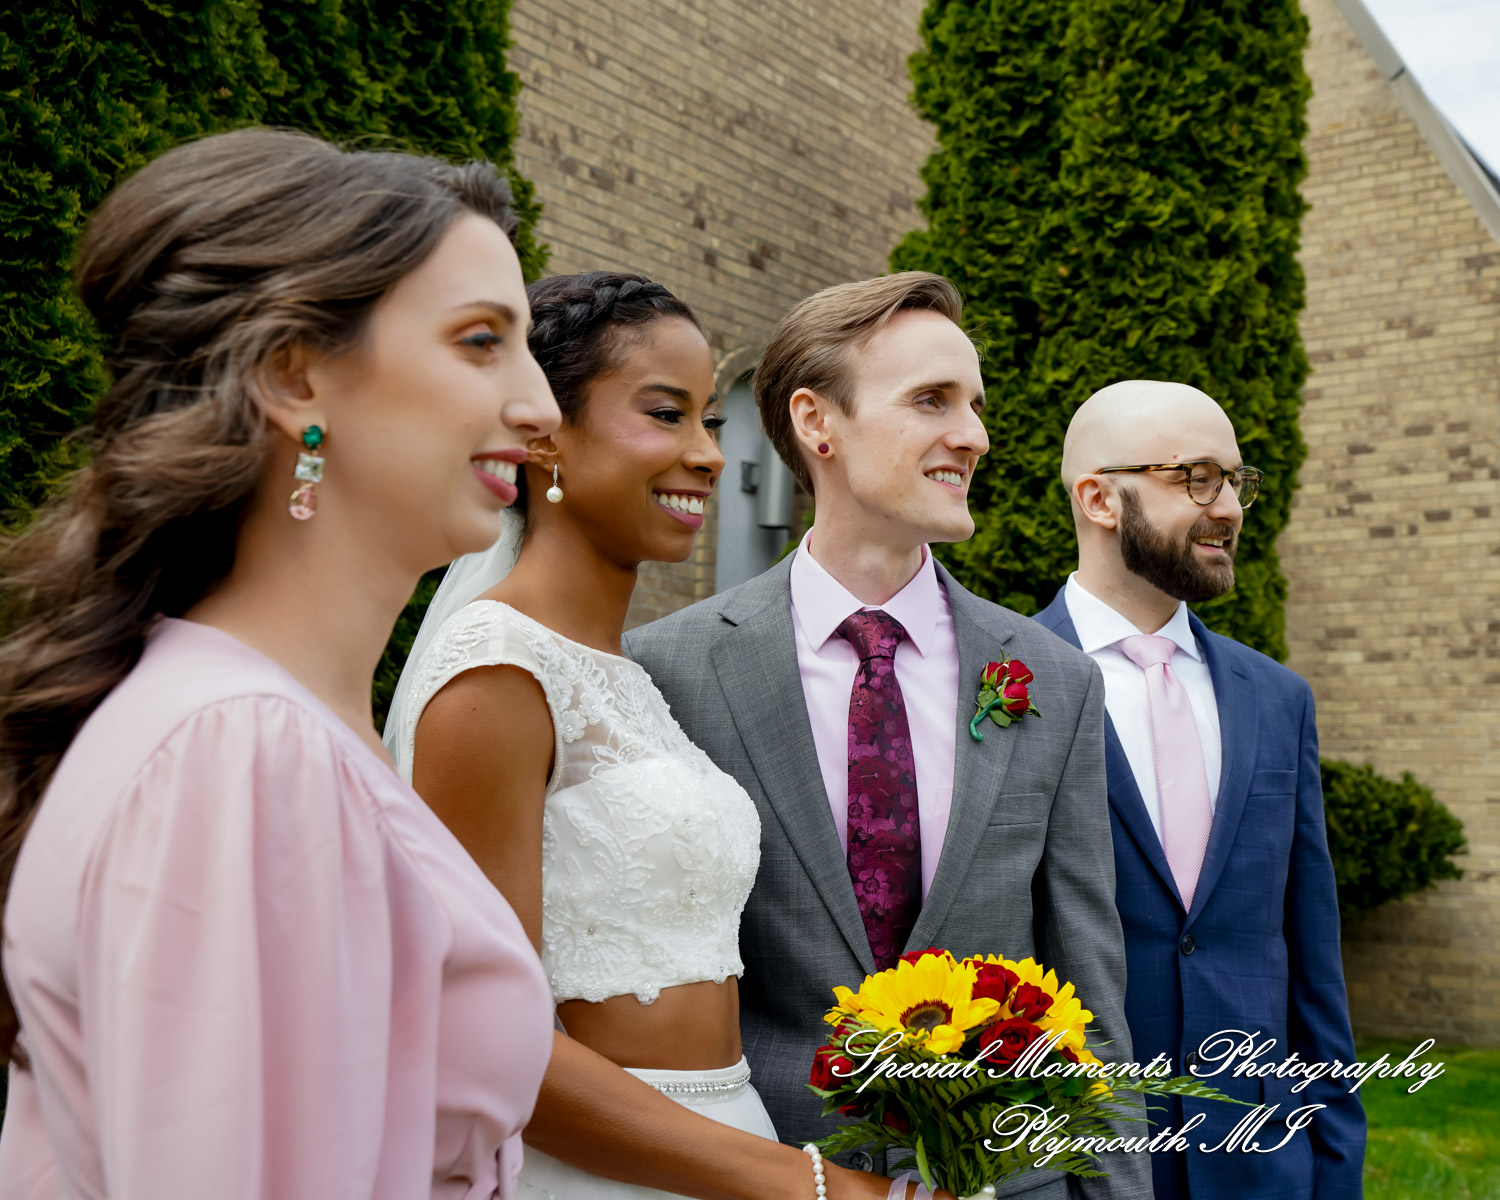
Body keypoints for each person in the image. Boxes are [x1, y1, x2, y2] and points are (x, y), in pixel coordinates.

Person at [0, 128, 562, 1199]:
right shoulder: (241, 753)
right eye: (481, 340)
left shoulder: (254, 725)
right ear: (293, 374)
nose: (539, 405)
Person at [625, 273, 1151, 1199]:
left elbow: (1092, 995)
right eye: (932, 400)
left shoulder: (1056, 680)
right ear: (817, 423)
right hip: (770, 1174)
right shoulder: (671, 669)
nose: (975, 435)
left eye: (976, 405)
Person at [386, 272, 908, 1200]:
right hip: (596, 1169)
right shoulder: (496, 669)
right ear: (543, 435)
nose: (708, 455)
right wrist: (810, 1186)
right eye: (666, 415)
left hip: (727, 1137)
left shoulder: (629, 675)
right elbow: (479, 1035)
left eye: (710, 420)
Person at [1033, 379, 1366, 1199]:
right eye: (1198, 479)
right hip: (1076, 1157)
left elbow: (1311, 958)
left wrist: (1333, 1166)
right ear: (1099, 499)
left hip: (1262, 1162)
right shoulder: (1001, 682)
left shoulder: (1277, 698)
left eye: (1237, 481)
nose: (1231, 508)